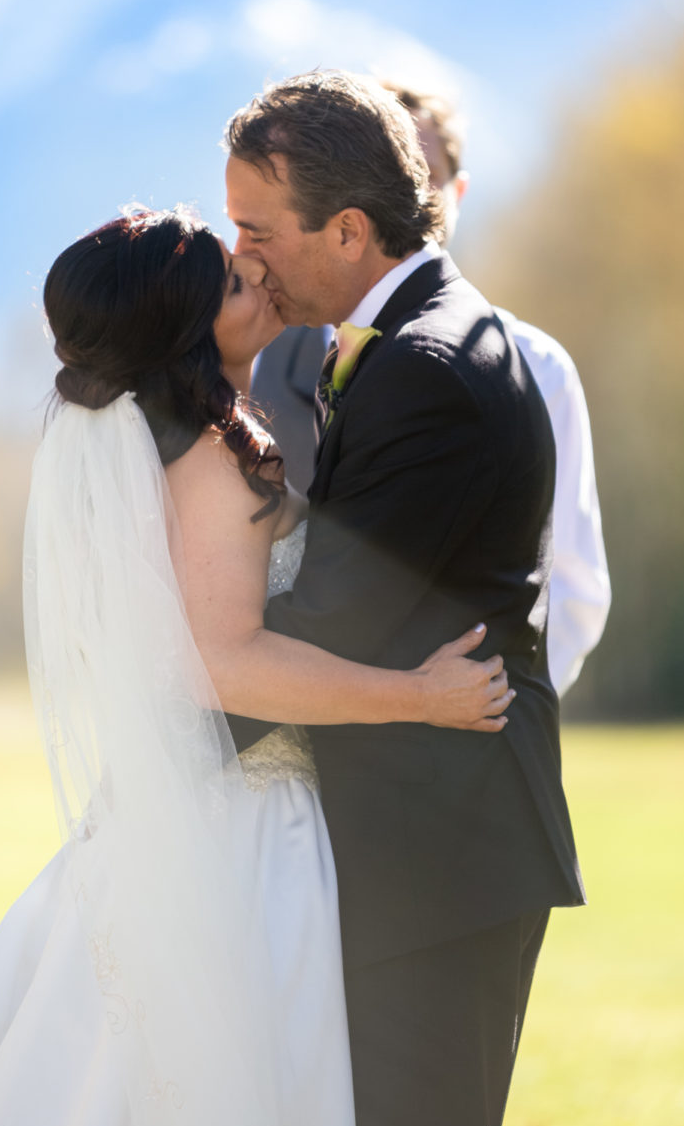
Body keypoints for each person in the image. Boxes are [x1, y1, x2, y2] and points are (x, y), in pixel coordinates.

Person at [0, 206, 513, 1126]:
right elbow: (223, 666)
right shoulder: (209, 462)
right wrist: (418, 694)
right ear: (191, 332)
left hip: (171, 814)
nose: (256, 271)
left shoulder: (149, 448)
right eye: (237, 283)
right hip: (240, 835)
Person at [225, 71, 586, 1126]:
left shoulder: (428, 369)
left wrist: (173, 727)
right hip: (420, 842)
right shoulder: (412, 341)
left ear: (347, 227)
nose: (243, 257)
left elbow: (333, 617)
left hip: (438, 853)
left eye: (256, 229)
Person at [252, 81, 611, 697]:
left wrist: (501, 704)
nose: (402, 197)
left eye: (424, 174)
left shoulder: (532, 363)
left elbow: (571, 585)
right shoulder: (272, 356)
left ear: (456, 193)